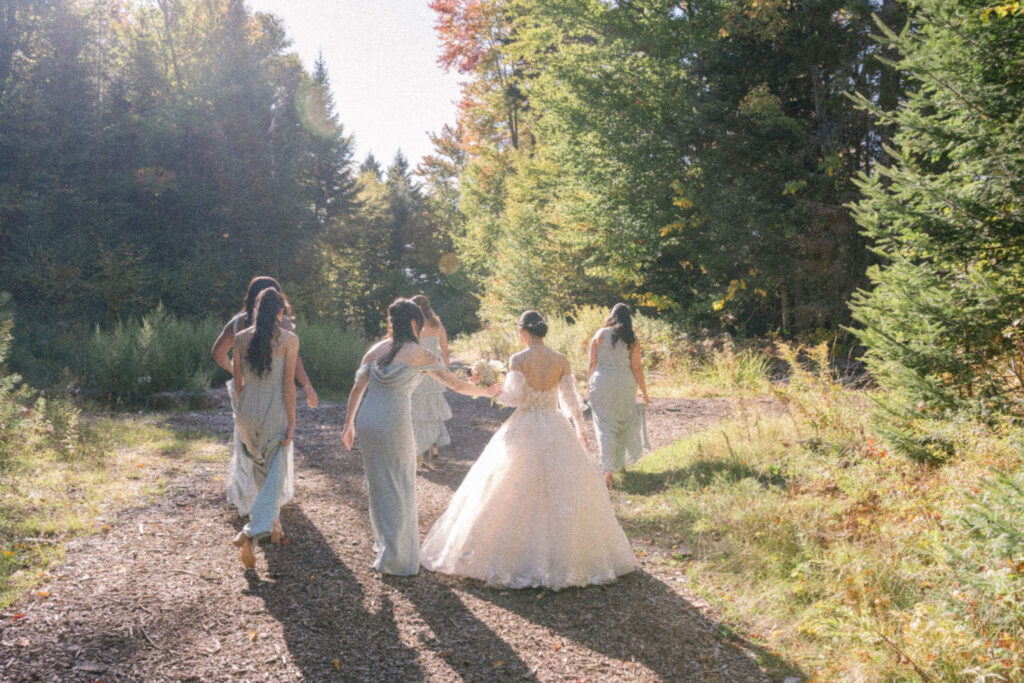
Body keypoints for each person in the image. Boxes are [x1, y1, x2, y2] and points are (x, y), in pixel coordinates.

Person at [421, 311, 635, 590]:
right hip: (555, 424)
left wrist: (489, 388)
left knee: (505, 486)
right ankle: (569, 559)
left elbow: (513, 398)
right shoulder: (561, 360)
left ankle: (515, 559)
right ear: (543, 332)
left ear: (523, 332)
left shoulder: (519, 359)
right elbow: (571, 402)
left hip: (524, 424)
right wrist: (581, 433)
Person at [340, 299, 499, 576]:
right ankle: (398, 559)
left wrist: (348, 424)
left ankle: (385, 547)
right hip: (393, 423)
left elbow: (357, 387)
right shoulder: (420, 353)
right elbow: (454, 383)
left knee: (378, 485)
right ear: (415, 324)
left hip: (367, 420)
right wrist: (486, 391)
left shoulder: (377, 349)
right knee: (400, 483)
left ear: (392, 322)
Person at [212, 276, 316, 517]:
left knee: (247, 447)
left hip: (246, 393)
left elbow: (217, 352)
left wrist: (239, 372)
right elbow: (293, 363)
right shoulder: (285, 328)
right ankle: (270, 508)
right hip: (273, 393)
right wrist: (307, 384)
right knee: (276, 447)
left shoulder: (237, 325)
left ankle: (250, 500)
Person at [230, 288, 298, 569]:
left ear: (256, 310)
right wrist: (292, 422)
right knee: (275, 474)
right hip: (273, 412)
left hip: (246, 412)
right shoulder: (288, 339)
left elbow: (237, 384)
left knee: (261, 470)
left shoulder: (240, 338)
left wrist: (242, 415)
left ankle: (274, 525)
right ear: (280, 312)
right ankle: (249, 533)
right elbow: (287, 386)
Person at [587, 303, 650, 489]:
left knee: (604, 426)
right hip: (624, 383)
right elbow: (636, 368)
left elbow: (592, 363)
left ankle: (608, 469)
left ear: (611, 316)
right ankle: (621, 464)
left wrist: (589, 386)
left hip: (602, 382)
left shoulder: (599, 334)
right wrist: (645, 393)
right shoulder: (632, 339)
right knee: (622, 422)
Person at [409, 294, 452, 466]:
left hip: (418, 369)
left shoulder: (413, 324)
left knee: (417, 413)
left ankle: (419, 454)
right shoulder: (438, 323)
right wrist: (444, 371)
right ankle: (433, 446)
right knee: (434, 411)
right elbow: (446, 351)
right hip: (435, 368)